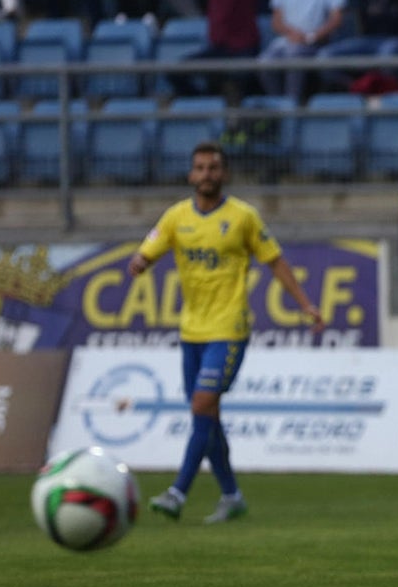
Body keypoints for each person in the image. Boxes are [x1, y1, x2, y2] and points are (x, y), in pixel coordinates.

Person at [129, 141, 325, 524]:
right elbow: (147, 251)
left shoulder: (243, 217)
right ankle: (232, 495)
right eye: (200, 168)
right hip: (192, 330)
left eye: (213, 168)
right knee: (207, 415)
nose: (207, 174)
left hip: (229, 328)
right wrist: (139, 262)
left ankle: (177, 492)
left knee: (202, 405)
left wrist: (305, 304)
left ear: (225, 173)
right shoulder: (176, 217)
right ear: (191, 174)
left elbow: (275, 261)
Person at [169, 0, 262, 101]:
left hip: (244, 47)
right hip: (219, 49)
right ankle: (202, 102)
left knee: (240, 80)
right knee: (175, 73)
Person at [258, 0, 349, 101]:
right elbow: (276, 22)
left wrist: (312, 37)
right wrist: (292, 34)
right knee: (264, 62)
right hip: (287, 40)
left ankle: (292, 104)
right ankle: (279, 103)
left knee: (294, 54)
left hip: (317, 43)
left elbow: (336, 20)